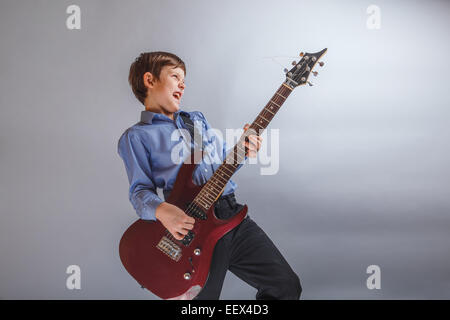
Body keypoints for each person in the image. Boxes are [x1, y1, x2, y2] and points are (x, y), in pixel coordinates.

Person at [117, 51, 301, 300]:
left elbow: (220, 167)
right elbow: (139, 191)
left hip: (230, 216)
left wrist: (243, 151)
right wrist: (162, 211)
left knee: (285, 286)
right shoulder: (137, 136)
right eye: (175, 76)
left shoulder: (195, 121)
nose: (183, 84)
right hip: (190, 228)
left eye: (184, 79)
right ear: (149, 80)